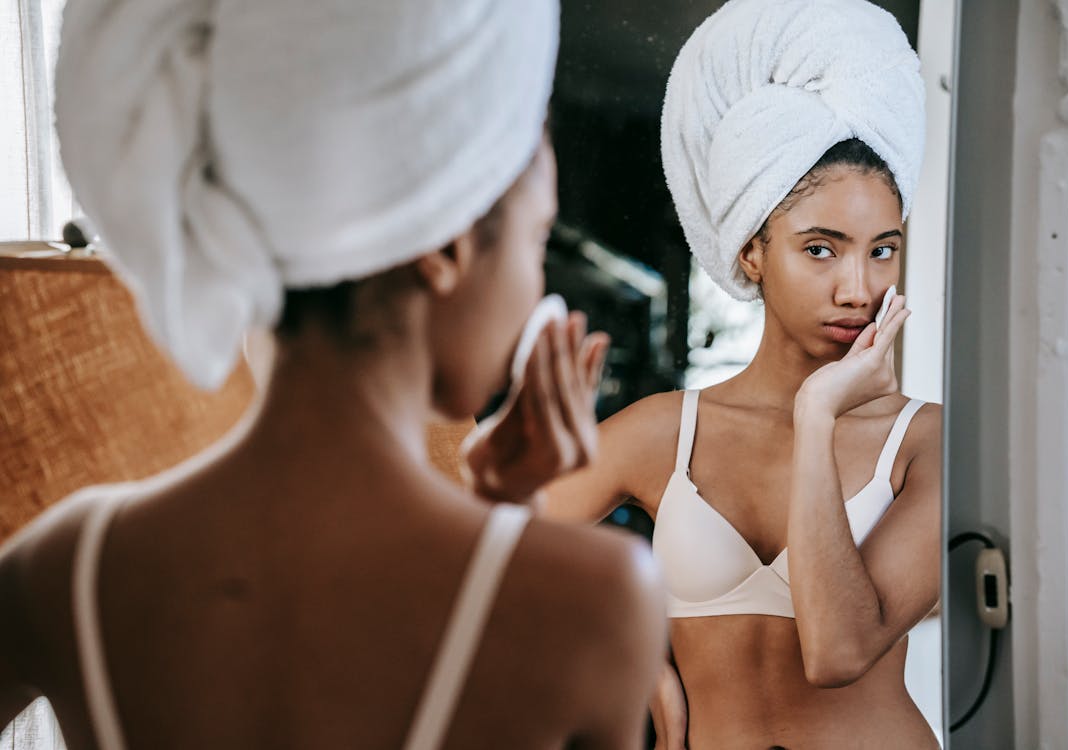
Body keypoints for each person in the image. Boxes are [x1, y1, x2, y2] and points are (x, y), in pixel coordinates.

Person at [0, 1, 666, 748]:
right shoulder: (598, 599)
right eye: (536, 235)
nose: (536, 288)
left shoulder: (67, 567)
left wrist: (497, 504)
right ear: (445, 247)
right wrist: (507, 519)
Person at [543, 1, 941, 747]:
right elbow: (476, 554)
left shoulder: (922, 442)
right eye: (820, 249)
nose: (859, 288)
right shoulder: (665, 431)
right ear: (751, 253)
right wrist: (623, 657)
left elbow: (836, 652)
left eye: (881, 249)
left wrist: (817, 417)